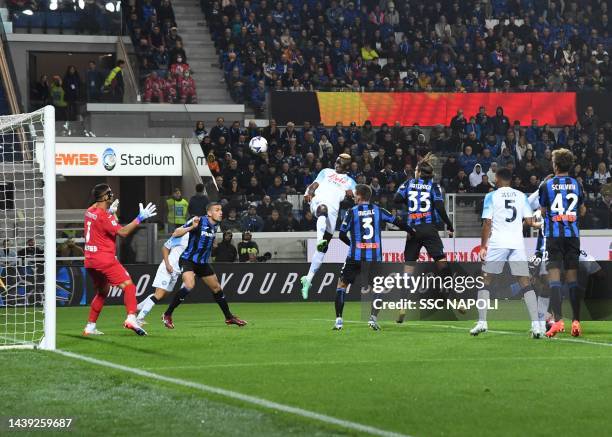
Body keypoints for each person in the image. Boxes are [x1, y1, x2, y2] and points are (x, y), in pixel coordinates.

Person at [470, 168, 541, 337]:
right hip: (517, 243)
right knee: (525, 282)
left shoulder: (491, 196)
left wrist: (483, 246)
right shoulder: (521, 195)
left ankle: (482, 322)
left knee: (485, 280)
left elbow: (487, 222)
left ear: (499, 179)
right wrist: (540, 223)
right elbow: (530, 222)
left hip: (498, 243)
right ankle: (537, 325)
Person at [334, 184, 414, 331]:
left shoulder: (352, 212)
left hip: (355, 256)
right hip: (374, 258)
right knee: (378, 288)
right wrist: (411, 231)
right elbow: (398, 222)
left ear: (359, 196)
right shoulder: (379, 210)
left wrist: (354, 245)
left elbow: (341, 234)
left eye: (355, 195)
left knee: (342, 285)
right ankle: (373, 319)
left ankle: (339, 320)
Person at [82, 184, 157, 336]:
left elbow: (101, 225)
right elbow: (122, 232)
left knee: (103, 291)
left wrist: (111, 212)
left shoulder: (90, 211)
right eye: (109, 193)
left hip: (90, 260)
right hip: (104, 259)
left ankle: (90, 326)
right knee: (129, 286)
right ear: (104, 197)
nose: (112, 194)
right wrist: (139, 218)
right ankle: (131, 318)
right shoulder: (105, 216)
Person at [161, 203, 246, 327]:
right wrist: (191, 227)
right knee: (189, 285)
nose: (221, 212)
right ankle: (167, 314)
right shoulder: (198, 220)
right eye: (217, 210)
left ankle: (229, 317)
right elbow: (176, 233)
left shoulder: (216, 224)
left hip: (202, 263)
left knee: (217, 288)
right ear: (209, 213)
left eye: (221, 210)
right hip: (188, 260)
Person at [394, 153, 454, 323]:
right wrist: (449, 224)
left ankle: (403, 305)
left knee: (408, 269)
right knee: (442, 263)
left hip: (412, 229)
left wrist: (410, 203)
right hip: (429, 229)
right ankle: (449, 295)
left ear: (419, 172)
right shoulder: (433, 187)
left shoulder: (408, 183)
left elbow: (396, 199)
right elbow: (440, 207)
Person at [539, 149, 586, 337]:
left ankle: (558, 321)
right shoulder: (576, 184)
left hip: (554, 235)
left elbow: (543, 212)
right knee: (573, 279)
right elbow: (581, 210)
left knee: (555, 278)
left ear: (555, 165)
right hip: (572, 236)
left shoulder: (547, 185)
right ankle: (576, 321)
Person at [300, 153, 356, 299]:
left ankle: (308, 279)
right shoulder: (326, 171)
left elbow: (356, 200)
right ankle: (320, 240)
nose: (337, 164)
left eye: (340, 163)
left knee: (322, 251)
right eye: (337, 161)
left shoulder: (350, 182)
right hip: (318, 202)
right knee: (322, 210)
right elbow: (314, 185)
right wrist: (310, 193)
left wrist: (351, 196)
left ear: (347, 167)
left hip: (333, 212)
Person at [136, 232, 189, 325]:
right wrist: (167, 264)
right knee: (159, 294)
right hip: (168, 267)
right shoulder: (183, 235)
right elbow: (165, 247)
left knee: (163, 296)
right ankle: (139, 318)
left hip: (176, 272)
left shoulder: (198, 240)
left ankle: (137, 308)